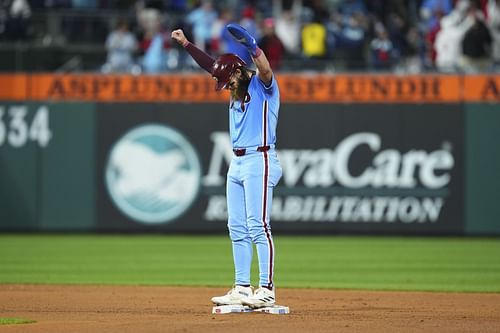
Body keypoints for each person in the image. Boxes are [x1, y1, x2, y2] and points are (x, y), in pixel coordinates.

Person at [172, 23, 282, 309]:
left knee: (259, 225)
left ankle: (266, 289)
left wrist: (253, 47)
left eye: (227, 81)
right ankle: (242, 287)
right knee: (236, 227)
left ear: (238, 72)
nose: (226, 86)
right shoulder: (233, 82)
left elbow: (267, 70)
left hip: (261, 158)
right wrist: (186, 44)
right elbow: (212, 65)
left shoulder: (261, 85)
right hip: (237, 162)